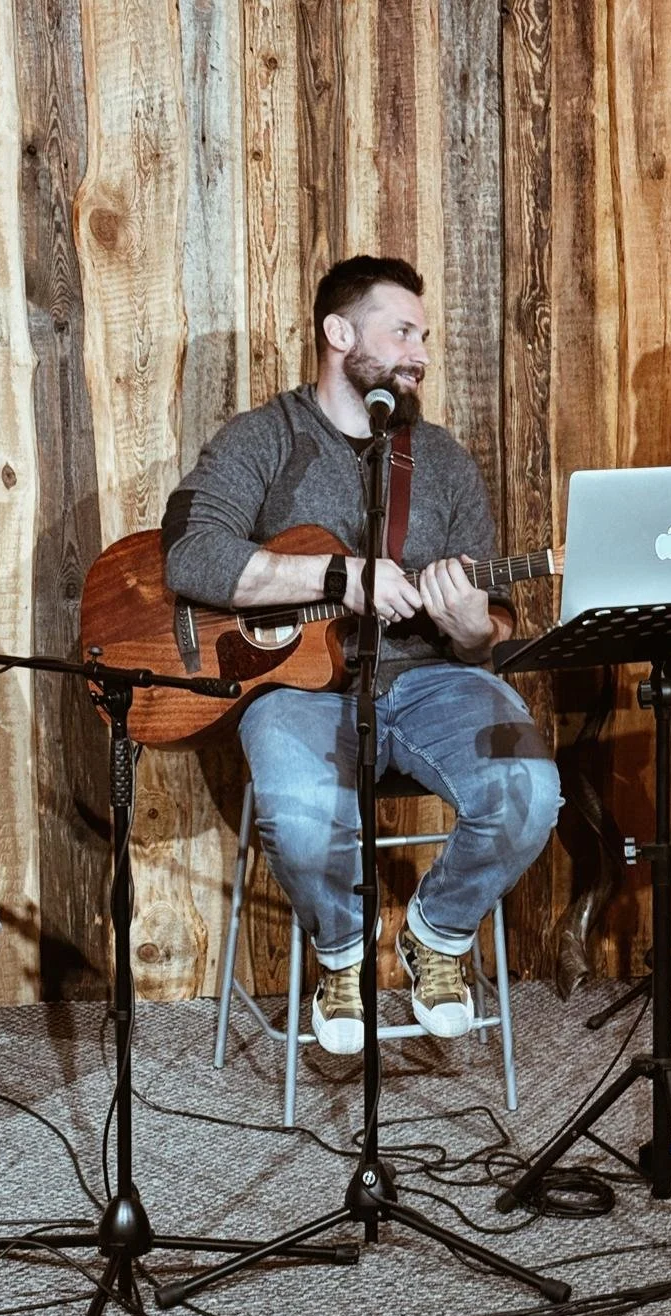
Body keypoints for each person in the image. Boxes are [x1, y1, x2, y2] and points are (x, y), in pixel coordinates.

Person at [163, 255, 560, 1053]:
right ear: (339, 334)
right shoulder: (263, 438)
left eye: (425, 337)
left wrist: (468, 623)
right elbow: (189, 554)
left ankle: (437, 934)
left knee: (528, 790)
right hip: (296, 690)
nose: (420, 354)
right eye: (403, 332)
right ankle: (343, 955)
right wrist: (339, 578)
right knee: (302, 819)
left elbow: (486, 634)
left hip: (431, 680)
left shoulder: (441, 459)